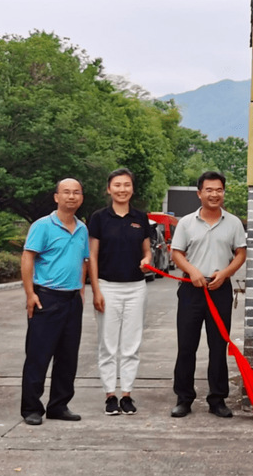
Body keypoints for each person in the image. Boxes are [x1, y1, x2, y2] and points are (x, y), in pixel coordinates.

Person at [170, 171, 247, 418]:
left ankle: (217, 399)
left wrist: (225, 274)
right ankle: (184, 398)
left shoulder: (233, 223)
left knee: (218, 346)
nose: (214, 194)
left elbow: (241, 253)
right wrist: (192, 271)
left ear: (224, 192)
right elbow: (176, 253)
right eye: (209, 190)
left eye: (219, 190)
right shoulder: (186, 223)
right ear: (199, 193)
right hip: (191, 290)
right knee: (186, 346)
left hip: (219, 290)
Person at [20, 178, 89, 426]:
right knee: (38, 355)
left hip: (72, 299)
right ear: (56, 197)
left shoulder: (82, 229)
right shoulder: (42, 226)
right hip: (47, 298)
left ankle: (59, 405)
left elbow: (83, 261)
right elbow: (28, 258)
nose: (71, 196)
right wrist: (30, 294)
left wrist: (81, 291)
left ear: (81, 198)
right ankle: (31, 408)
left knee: (68, 357)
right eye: (66, 192)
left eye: (76, 192)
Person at [88, 168, 153, 416]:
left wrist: (147, 260)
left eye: (126, 185)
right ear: (109, 189)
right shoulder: (99, 218)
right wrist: (96, 290)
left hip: (136, 288)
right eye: (117, 185)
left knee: (131, 344)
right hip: (107, 286)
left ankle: (126, 394)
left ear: (132, 189)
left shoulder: (140, 218)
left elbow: (146, 250)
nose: (122, 189)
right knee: (107, 344)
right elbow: (92, 256)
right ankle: (110, 395)